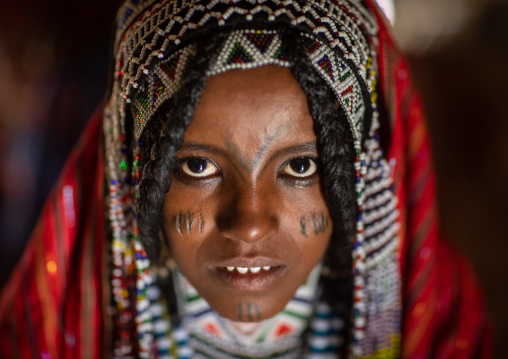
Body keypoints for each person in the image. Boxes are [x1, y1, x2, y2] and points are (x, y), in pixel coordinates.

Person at [0, 0, 491, 358]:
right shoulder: (46, 329)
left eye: (300, 167)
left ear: (360, 177)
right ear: (136, 175)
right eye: (198, 167)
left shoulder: (442, 324)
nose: (251, 223)